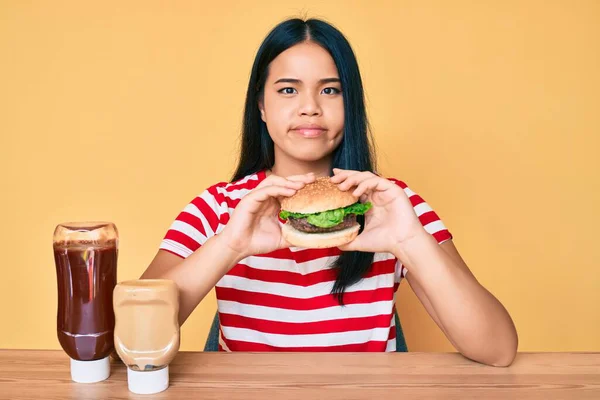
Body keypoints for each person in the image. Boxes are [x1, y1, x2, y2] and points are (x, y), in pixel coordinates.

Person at [141, 17, 518, 366]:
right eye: (288, 89)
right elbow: (134, 338)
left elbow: (498, 349)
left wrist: (409, 241)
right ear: (261, 106)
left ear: (349, 103)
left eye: (331, 90)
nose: (310, 108)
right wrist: (228, 247)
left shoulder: (391, 203)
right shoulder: (217, 207)